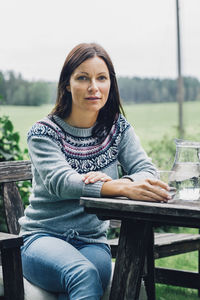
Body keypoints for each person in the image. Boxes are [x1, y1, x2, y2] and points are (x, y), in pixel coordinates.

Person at [19, 42, 171, 300]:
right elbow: (61, 183)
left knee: (85, 275)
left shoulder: (117, 128)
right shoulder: (43, 132)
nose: (94, 87)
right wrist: (114, 186)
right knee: (81, 274)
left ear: (110, 83)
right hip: (41, 239)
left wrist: (123, 181)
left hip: (92, 243)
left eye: (101, 78)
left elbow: (147, 170)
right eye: (82, 78)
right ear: (66, 84)